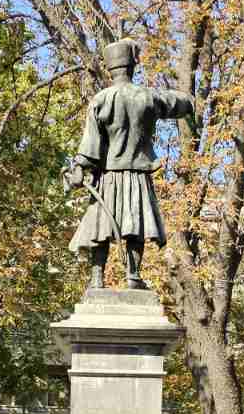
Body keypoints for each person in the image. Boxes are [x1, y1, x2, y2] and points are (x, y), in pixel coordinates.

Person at [64, 34, 195, 290]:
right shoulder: (147, 96)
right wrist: (191, 102)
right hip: (137, 175)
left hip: (108, 177)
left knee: (100, 226)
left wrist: (79, 167)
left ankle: (97, 278)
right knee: (136, 225)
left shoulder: (101, 99)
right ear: (132, 67)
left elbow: (90, 144)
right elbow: (176, 102)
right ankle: (133, 275)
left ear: (110, 69)